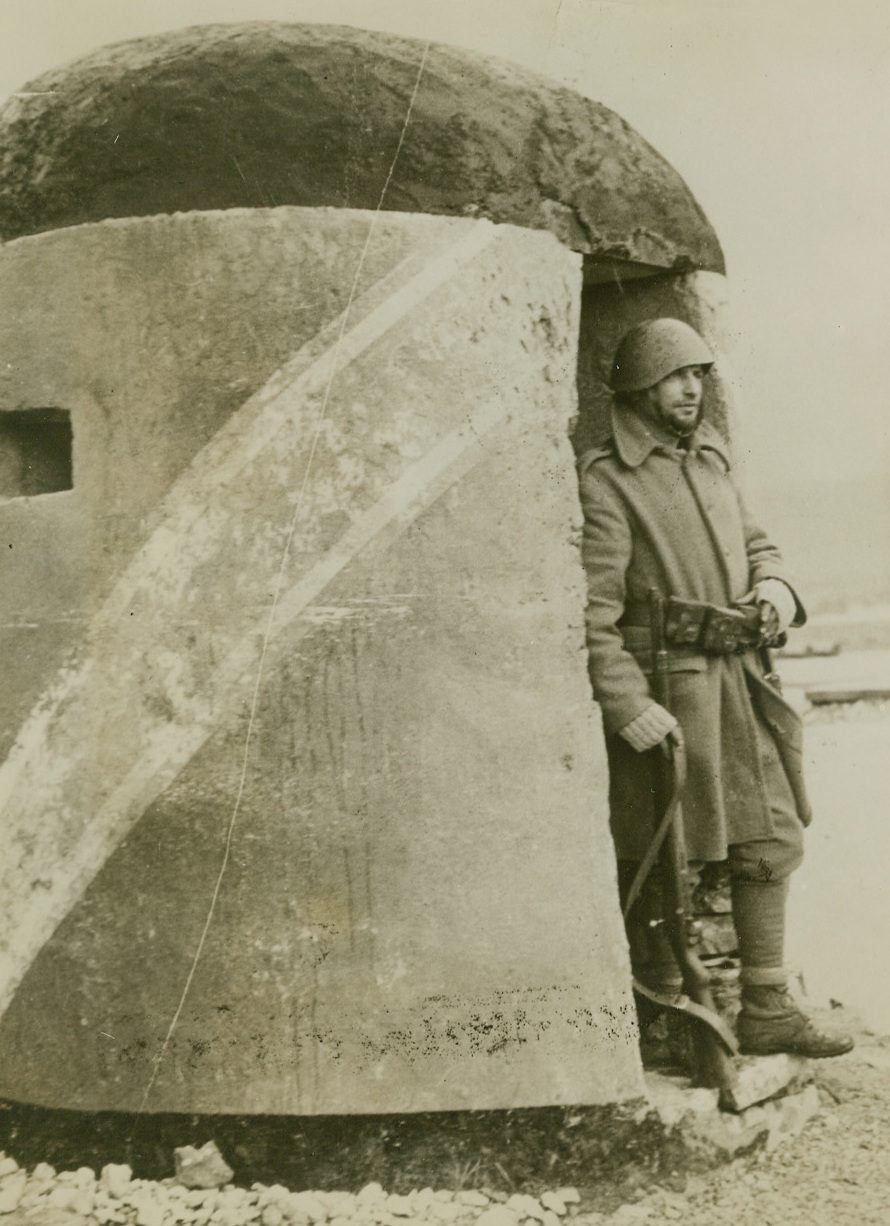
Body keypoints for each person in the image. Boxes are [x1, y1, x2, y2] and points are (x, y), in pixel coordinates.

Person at [578, 317, 852, 1059]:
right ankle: (666, 1020)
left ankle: (767, 1008)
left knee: (771, 838)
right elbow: (592, 616)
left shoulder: (711, 460)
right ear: (639, 387)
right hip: (673, 694)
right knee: (665, 856)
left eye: (699, 375)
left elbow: (758, 542)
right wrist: (629, 706)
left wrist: (775, 589)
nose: (691, 388)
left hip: (740, 682)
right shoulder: (608, 482)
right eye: (675, 376)